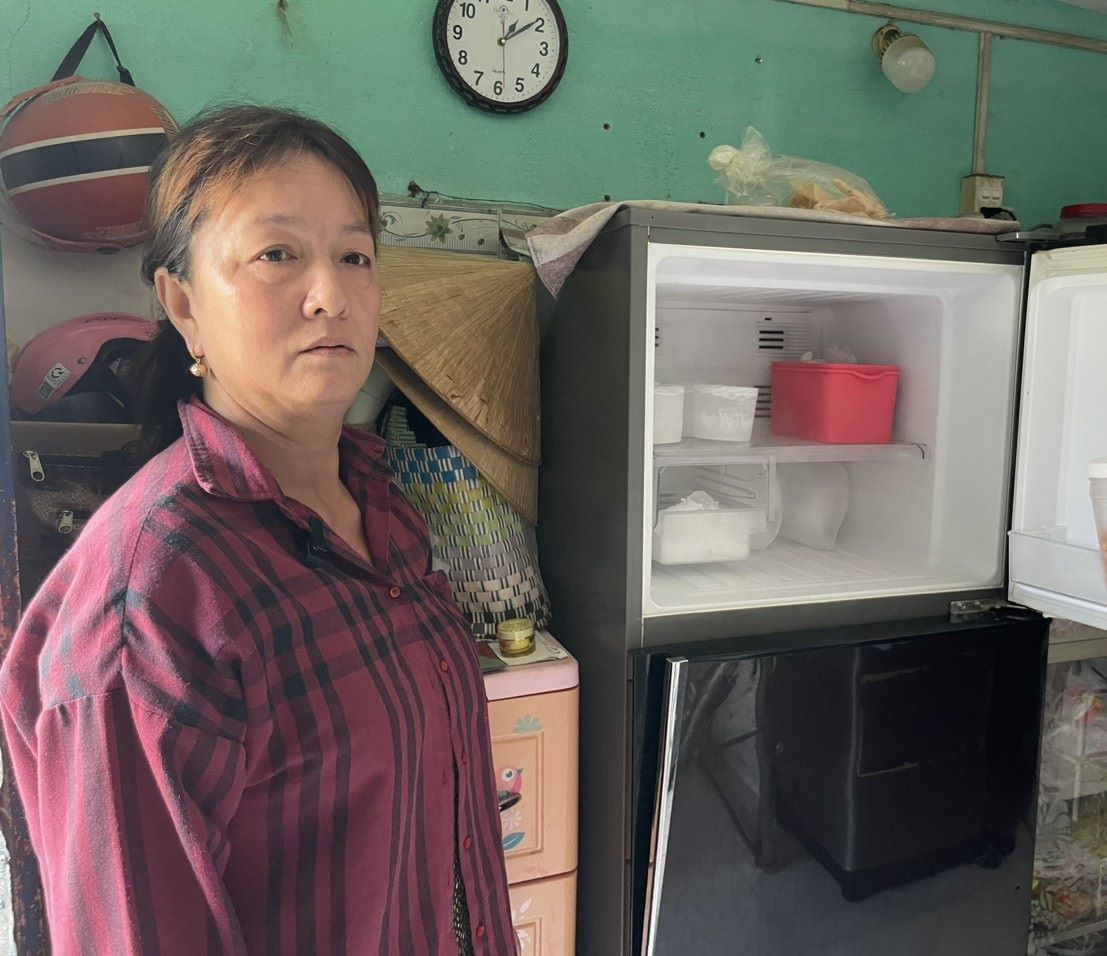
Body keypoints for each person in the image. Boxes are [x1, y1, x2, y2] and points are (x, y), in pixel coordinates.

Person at [0, 105, 517, 955]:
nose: (331, 295)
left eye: (355, 256)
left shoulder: (385, 515)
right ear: (182, 304)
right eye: (276, 255)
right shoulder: (153, 600)